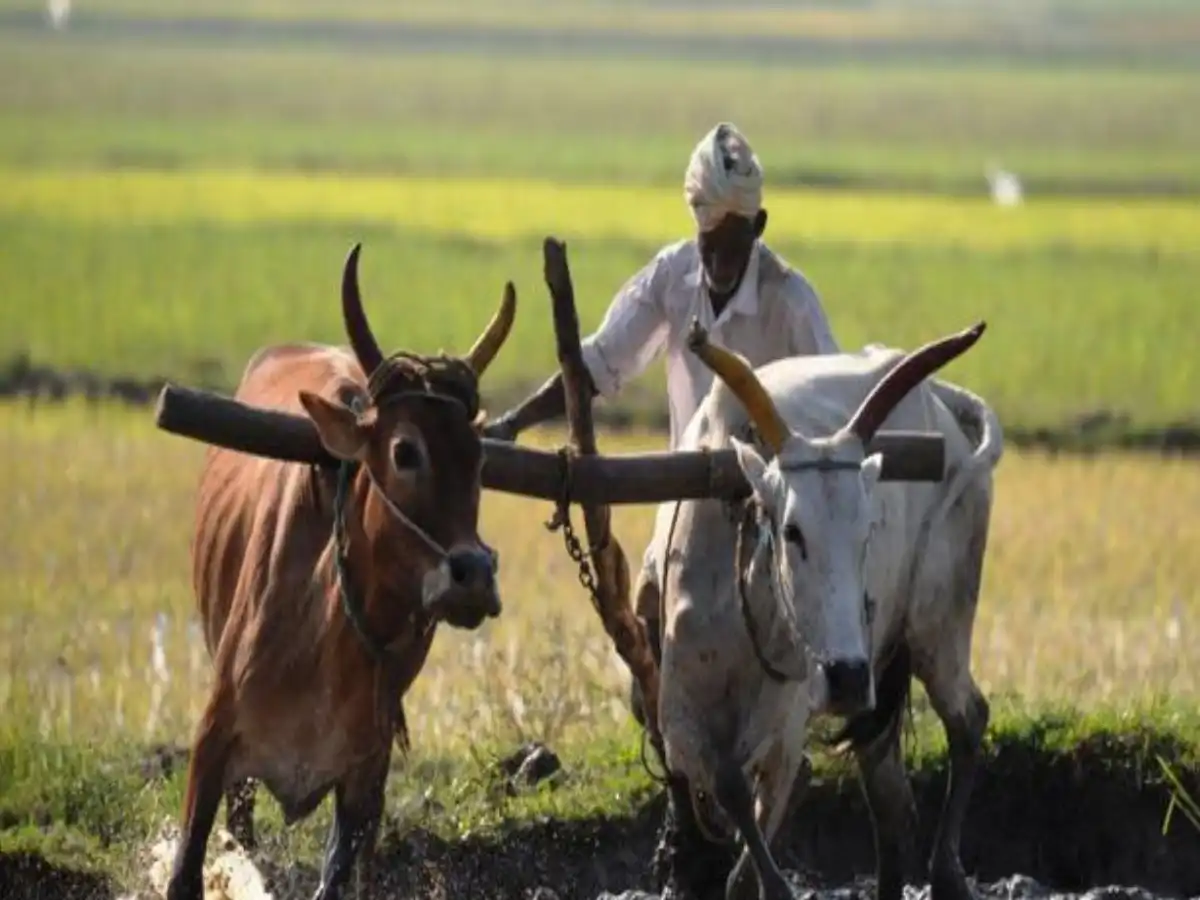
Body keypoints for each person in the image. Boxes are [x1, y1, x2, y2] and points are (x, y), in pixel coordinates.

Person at [484, 121, 841, 724]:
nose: (719, 261)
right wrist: (514, 424)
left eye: (733, 246)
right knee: (651, 649)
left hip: (769, 509)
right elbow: (596, 365)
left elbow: (830, 405)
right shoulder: (672, 278)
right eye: (709, 246)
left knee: (773, 663)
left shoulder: (791, 300)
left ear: (759, 227)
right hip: (683, 505)